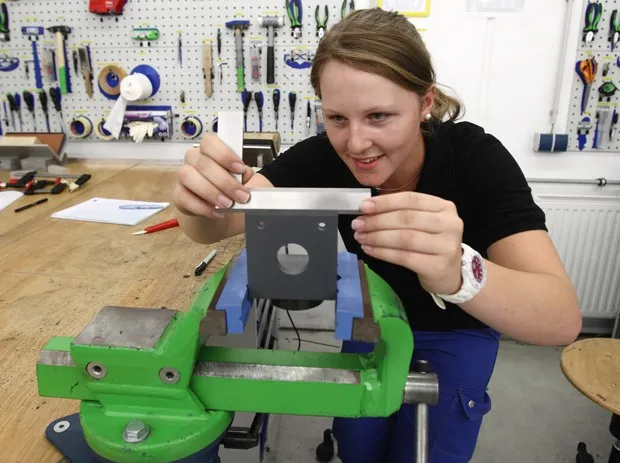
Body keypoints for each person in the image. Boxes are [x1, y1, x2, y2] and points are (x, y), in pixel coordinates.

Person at [172, 8, 582, 463]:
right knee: (358, 443)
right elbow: (220, 223)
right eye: (337, 118)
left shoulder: (476, 160)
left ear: (425, 102)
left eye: (379, 116)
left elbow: (560, 319)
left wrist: (460, 272)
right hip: (374, 322)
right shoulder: (323, 158)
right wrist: (200, 200)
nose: (356, 144)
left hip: (459, 332)